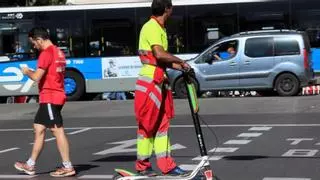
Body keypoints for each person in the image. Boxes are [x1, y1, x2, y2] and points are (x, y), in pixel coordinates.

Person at [134, 0, 190, 177]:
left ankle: (168, 165)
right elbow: (158, 54)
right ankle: (142, 166)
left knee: (162, 126)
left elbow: (159, 59)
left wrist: (181, 67)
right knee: (148, 125)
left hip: (158, 79)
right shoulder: (152, 27)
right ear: (168, 9)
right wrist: (180, 61)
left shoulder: (159, 28)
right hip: (150, 81)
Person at [14, 27, 76, 177]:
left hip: (50, 96)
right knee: (39, 128)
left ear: (39, 40)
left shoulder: (46, 54)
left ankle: (68, 166)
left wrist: (26, 71)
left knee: (56, 129)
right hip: (56, 95)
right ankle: (30, 164)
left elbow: (36, 77)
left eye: (34, 43)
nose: (34, 46)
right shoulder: (58, 51)